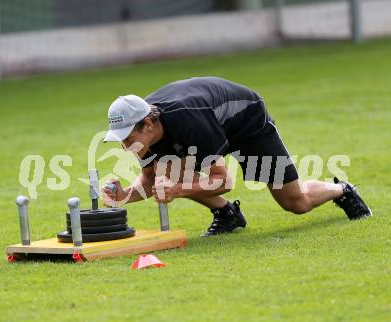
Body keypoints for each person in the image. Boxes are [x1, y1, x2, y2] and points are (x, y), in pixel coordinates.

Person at [101, 77, 371, 236]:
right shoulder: (146, 136)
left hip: (247, 124)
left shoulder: (190, 122)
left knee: (296, 202)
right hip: (214, 124)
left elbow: (224, 180)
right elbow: (149, 180)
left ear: (148, 123)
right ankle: (227, 213)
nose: (126, 146)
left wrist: (178, 190)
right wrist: (122, 196)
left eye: (128, 137)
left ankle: (342, 190)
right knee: (167, 174)